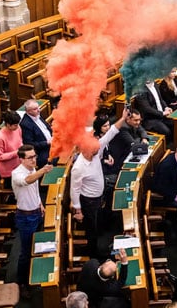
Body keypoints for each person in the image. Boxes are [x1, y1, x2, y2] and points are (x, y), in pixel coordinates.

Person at [70, 110, 127, 259]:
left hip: (97, 196)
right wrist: (78, 211)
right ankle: (93, 254)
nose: (99, 151)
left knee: (97, 224)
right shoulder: (79, 167)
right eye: (96, 150)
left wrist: (122, 118)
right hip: (88, 201)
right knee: (91, 229)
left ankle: (97, 247)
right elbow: (74, 189)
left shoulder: (94, 149)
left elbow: (111, 133)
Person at [11, 144, 53, 297]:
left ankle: (36, 276)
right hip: (26, 217)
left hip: (36, 212)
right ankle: (22, 283)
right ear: (21, 159)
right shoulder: (16, 173)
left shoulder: (33, 169)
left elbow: (34, 190)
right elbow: (27, 181)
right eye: (30, 158)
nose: (34, 159)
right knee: (26, 252)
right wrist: (43, 170)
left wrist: (40, 204)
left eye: (35, 156)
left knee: (38, 247)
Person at [20, 99, 54, 169]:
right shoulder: (25, 124)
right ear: (28, 111)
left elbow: (47, 128)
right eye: (35, 109)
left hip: (52, 143)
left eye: (38, 107)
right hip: (42, 151)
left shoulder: (37, 115)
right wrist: (47, 142)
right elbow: (30, 145)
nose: (38, 110)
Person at [0, 110, 22, 180]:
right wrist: (16, 153)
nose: (17, 126)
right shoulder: (0, 137)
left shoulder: (18, 129)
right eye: (15, 125)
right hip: (9, 170)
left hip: (20, 164)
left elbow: (20, 142)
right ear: (8, 124)